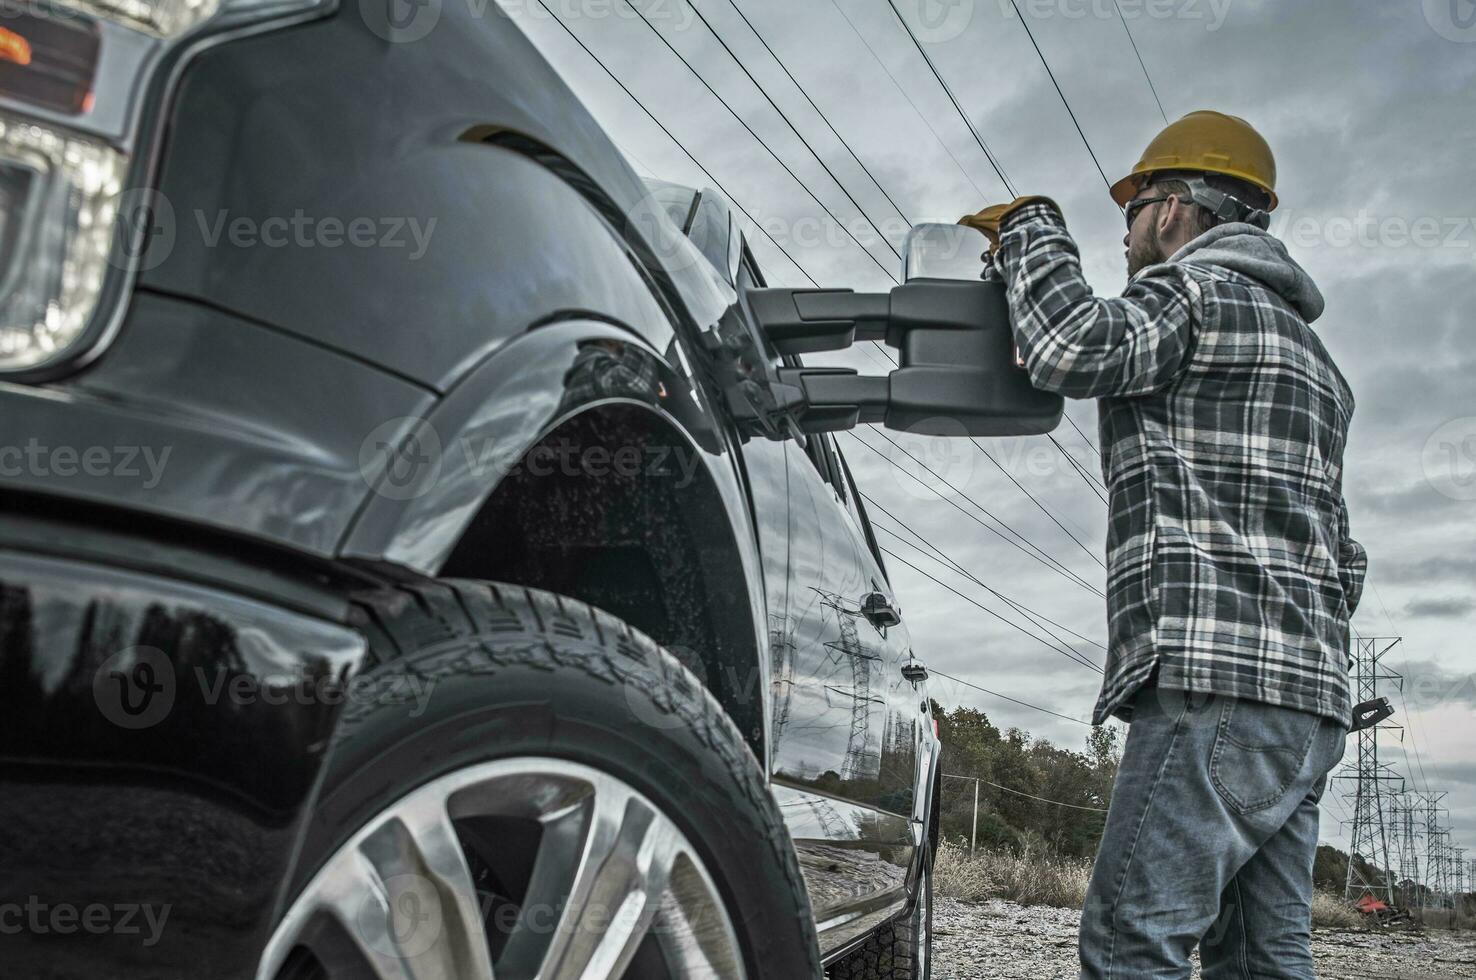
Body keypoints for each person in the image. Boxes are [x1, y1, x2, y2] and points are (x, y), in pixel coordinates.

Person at [959, 110, 1367, 978]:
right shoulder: (1321, 366)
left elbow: (1068, 346)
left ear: (1174, 208)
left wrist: (1029, 226)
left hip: (1217, 687)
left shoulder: (1195, 296)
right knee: (1264, 958)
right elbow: (1346, 557)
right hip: (1312, 706)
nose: (1126, 232)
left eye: (1133, 210)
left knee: (1129, 941)